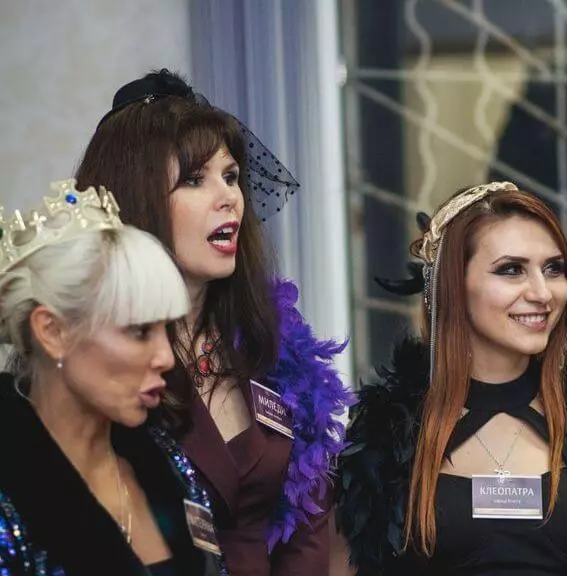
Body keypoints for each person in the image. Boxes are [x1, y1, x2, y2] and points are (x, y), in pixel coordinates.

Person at [74, 70, 353, 576]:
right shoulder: (96, 356)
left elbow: (308, 517)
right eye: (194, 179)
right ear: (136, 201)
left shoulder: (272, 341)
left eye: (231, 176)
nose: (228, 197)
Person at [335, 182, 567, 575]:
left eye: (553, 269)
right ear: (452, 285)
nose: (543, 293)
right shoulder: (387, 429)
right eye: (511, 270)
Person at [0, 180, 226, 575]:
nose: (165, 357)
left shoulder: (167, 465)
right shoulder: (9, 499)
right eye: (139, 331)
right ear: (53, 332)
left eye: (166, 330)